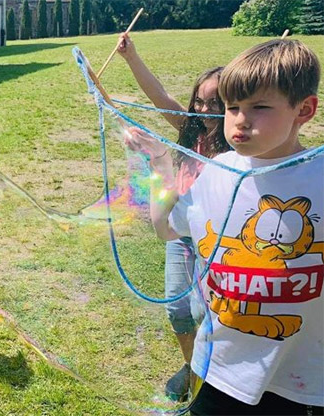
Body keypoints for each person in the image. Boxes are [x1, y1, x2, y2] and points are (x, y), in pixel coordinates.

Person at [135, 39, 322, 415]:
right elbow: (166, 230)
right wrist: (161, 166)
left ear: (304, 109)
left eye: (259, 107)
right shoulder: (217, 172)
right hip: (220, 368)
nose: (240, 119)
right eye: (233, 107)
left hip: (304, 378)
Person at [117, 32, 230, 400]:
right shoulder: (189, 130)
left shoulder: (237, 148)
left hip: (215, 239)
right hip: (181, 235)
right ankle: (192, 366)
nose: (204, 109)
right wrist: (132, 57)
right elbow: (160, 96)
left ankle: (210, 373)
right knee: (178, 310)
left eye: (215, 103)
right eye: (199, 100)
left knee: (204, 311)